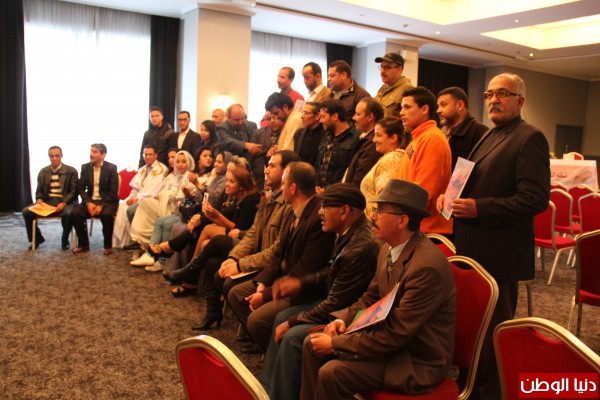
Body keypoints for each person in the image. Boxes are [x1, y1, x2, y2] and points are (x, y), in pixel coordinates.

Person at [443, 73, 550, 399]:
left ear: (520, 101)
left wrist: (480, 208)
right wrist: (449, 198)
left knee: (492, 333)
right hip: (472, 249)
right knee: (472, 328)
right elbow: (468, 179)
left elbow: (535, 199)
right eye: (489, 94)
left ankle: (487, 392)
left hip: (500, 254)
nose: (493, 100)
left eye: (503, 93)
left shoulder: (530, 138)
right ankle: (469, 385)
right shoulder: (489, 134)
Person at [300, 179, 456, 400]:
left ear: (402, 220)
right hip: (390, 347)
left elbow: (395, 333)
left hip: (414, 360)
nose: (371, 216)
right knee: (311, 343)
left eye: (380, 210)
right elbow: (370, 298)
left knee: (331, 372)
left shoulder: (426, 267)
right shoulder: (387, 249)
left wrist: (336, 344)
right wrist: (342, 320)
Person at [261, 183, 379, 400]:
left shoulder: (360, 247)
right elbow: (331, 271)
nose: (319, 212)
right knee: (280, 318)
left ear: (344, 211)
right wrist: (300, 283)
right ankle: (268, 392)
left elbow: (336, 304)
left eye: (325, 206)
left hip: (347, 316)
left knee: (293, 335)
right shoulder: (347, 231)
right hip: (336, 304)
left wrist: (293, 322)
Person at [228, 162, 336, 353]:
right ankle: (265, 347)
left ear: (293, 188)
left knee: (257, 320)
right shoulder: (292, 210)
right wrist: (263, 283)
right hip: (281, 279)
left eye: (284, 183)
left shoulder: (317, 217)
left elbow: (304, 270)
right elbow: (278, 253)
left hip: (300, 289)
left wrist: (265, 295)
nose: (281, 187)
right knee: (236, 294)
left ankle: (275, 354)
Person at [161, 167, 261, 296]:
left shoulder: (251, 200)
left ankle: (189, 273)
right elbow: (224, 216)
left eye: (231, 181)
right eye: (227, 180)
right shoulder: (239, 197)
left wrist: (216, 216)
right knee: (204, 242)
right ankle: (191, 277)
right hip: (235, 235)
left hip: (245, 241)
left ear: (241, 186)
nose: (226, 183)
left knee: (208, 229)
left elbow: (237, 229)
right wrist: (209, 216)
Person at [396, 86, 452, 234]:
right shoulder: (418, 138)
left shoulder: (431, 139)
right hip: (414, 226)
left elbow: (422, 195)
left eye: (407, 107)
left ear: (424, 109)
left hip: (426, 229)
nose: (401, 112)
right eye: (401, 107)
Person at [128, 150, 195, 271]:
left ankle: (159, 259)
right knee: (145, 203)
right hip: (168, 205)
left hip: (177, 210)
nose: (180, 164)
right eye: (178, 162)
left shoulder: (189, 177)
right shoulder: (174, 176)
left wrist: (167, 195)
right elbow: (164, 192)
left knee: (164, 221)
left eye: (183, 162)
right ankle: (142, 245)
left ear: (189, 162)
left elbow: (180, 198)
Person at [22, 146, 78, 250]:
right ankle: (37, 239)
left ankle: (64, 239)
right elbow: (39, 189)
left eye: (57, 156)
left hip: (67, 201)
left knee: (68, 213)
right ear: (49, 157)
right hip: (48, 201)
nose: (54, 158)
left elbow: (73, 191)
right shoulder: (43, 172)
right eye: (52, 156)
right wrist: (39, 199)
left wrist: (64, 202)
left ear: (61, 156)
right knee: (26, 211)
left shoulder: (71, 171)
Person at [113, 145, 167, 249]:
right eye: (145, 154)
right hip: (137, 198)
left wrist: (138, 199)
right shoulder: (142, 169)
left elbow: (156, 191)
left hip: (150, 200)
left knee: (130, 211)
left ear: (155, 155)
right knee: (122, 207)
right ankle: (129, 239)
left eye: (150, 154)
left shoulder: (162, 170)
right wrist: (131, 198)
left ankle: (138, 239)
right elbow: (135, 188)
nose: (147, 157)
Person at [71, 143, 119, 255]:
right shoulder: (85, 167)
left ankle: (108, 246)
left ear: (103, 155)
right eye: (91, 151)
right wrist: (88, 203)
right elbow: (81, 188)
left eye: (95, 152)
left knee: (106, 215)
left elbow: (113, 192)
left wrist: (101, 205)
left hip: (107, 201)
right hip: (91, 200)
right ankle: (83, 244)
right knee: (75, 213)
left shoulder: (111, 168)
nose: (91, 154)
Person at [361, 118, 411, 215]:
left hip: (375, 220)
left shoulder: (391, 161)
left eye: (379, 135)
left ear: (393, 138)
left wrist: (375, 217)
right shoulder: (389, 158)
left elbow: (384, 199)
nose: (374, 140)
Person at [436, 87, 488, 169]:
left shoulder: (480, 132)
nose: (438, 110)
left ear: (460, 105)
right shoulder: (439, 132)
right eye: (438, 106)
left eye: (443, 105)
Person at [315, 99, 359, 189]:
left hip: (339, 192)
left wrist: (328, 189)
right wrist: (317, 185)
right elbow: (319, 165)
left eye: (323, 117)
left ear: (335, 116)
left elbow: (351, 173)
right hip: (320, 192)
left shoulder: (355, 138)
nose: (320, 121)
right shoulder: (326, 136)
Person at [344, 98, 385, 188]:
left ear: (370, 117)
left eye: (358, 114)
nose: (353, 118)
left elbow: (359, 179)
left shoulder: (373, 143)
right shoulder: (365, 138)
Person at [374, 52, 413, 119]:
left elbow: (410, 119)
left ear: (399, 69)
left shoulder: (407, 89)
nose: (382, 71)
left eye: (387, 67)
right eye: (381, 66)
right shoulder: (383, 88)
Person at [293, 102, 325, 166]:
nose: (302, 116)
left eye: (306, 113)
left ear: (317, 116)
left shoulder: (326, 135)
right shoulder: (299, 133)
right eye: (302, 112)